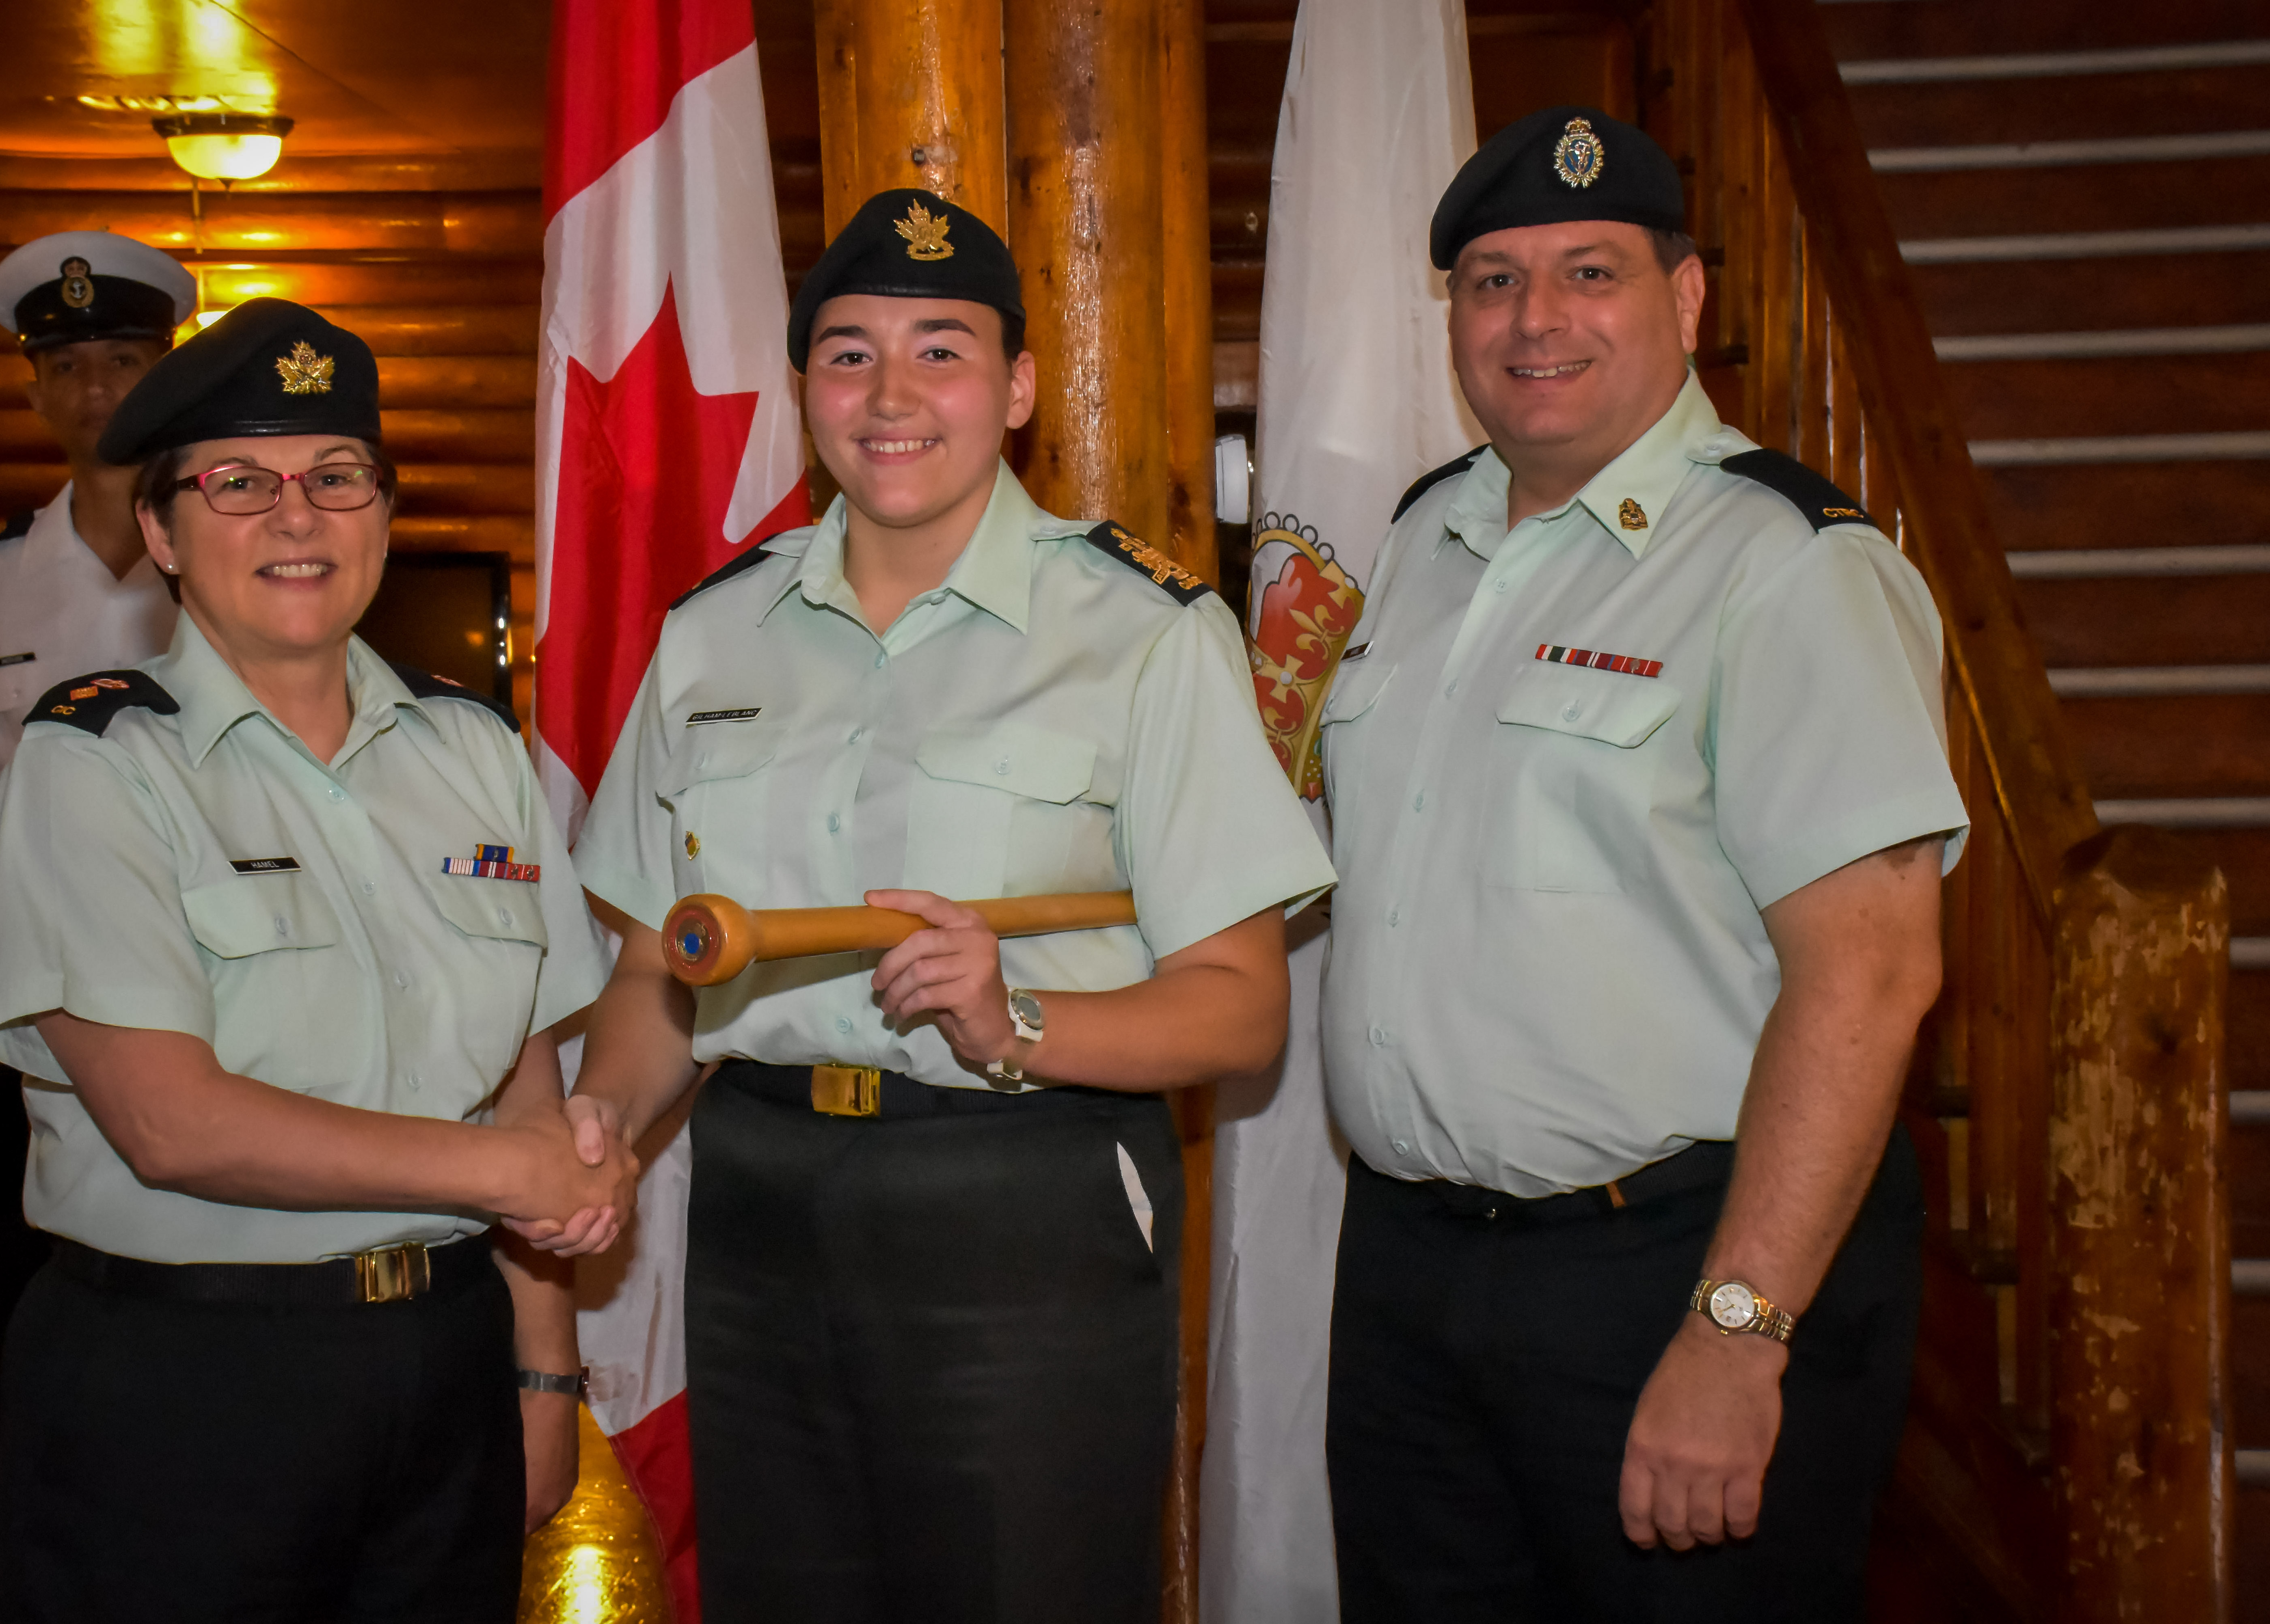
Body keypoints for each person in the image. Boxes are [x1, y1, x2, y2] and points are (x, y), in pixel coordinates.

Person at [568, 189, 1337, 1623]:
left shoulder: (1147, 634)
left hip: (1023, 1198)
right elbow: (652, 975)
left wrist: (1015, 1017)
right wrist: (602, 1123)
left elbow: (1243, 1008)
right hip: (762, 1202)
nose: (891, 395)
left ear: (1020, 386)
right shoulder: (710, 631)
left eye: (941, 349)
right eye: (848, 353)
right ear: (805, 389)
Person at [1317, 108, 1969, 1621]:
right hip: (1415, 1270)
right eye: (1492, 281)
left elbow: (1873, 974)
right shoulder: (1425, 539)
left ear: (1684, 302)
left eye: (1589, 272)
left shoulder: (1789, 566)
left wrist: (1738, 1332)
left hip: (1678, 1261)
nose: (1536, 320)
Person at [0, 297, 637, 1623]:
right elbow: (171, 1123)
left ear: (383, 513)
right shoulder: (92, 766)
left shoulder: (472, 753)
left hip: (445, 1366)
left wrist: (544, 1372)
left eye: (338, 477)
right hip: (187, 1376)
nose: (299, 517)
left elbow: (525, 1065)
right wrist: (507, 1172)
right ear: (159, 531)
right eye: (239, 483)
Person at [0, 231, 193, 1337]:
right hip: (43, 1003)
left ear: (174, 372)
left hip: (224, 987)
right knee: (51, 1300)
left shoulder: (239, 554)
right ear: (35, 395)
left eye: (122, 358)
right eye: (67, 366)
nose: (95, 387)